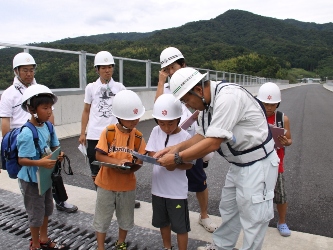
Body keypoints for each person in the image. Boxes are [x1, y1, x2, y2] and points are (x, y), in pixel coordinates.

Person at [155, 67, 280, 250]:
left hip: (257, 165)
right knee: (229, 210)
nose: (188, 106)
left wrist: (176, 158)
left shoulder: (228, 97)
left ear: (198, 90)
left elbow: (213, 142)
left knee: (254, 218)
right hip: (238, 164)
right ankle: (222, 247)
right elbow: (201, 135)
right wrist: (174, 148)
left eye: (187, 100)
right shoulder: (207, 105)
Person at [0, 52, 77, 213]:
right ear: (16, 71)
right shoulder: (9, 94)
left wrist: (50, 134)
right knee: (27, 174)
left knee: (52, 170)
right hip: (23, 140)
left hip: (42, 137)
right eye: (25, 70)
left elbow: (51, 114)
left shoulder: (40, 90)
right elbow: (5, 122)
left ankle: (60, 201)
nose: (29, 74)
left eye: (31, 70)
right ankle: (33, 207)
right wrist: (8, 147)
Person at [156, 47, 217, 233]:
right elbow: (158, 107)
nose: (170, 72)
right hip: (172, 141)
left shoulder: (195, 84)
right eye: (166, 69)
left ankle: (204, 215)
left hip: (192, 139)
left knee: (199, 180)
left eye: (173, 67)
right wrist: (161, 82)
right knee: (171, 180)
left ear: (183, 64)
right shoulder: (166, 88)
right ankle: (173, 216)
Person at [78, 51, 141, 208]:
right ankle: (103, 197)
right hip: (94, 134)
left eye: (110, 67)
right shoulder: (91, 88)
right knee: (96, 168)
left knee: (120, 165)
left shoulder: (119, 87)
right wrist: (82, 132)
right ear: (97, 69)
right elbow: (86, 110)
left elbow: (128, 105)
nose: (107, 70)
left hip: (114, 134)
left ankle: (125, 197)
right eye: (103, 67)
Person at [93, 90, 147, 250]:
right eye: (131, 119)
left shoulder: (138, 137)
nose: (135, 121)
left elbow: (140, 160)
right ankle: (100, 246)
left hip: (127, 186)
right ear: (119, 117)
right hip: (106, 185)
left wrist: (134, 166)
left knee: (125, 218)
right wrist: (117, 161)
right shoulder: (109, 132)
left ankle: (121, 242)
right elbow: (99, 155)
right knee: (102, 218)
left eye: (137, 118)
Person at [17, 84, 68, 250]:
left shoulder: (48, 126)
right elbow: (22, 160)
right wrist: (40, 162)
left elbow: (55, 146)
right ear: (32, 109)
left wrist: (58, 154)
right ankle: (35, 243)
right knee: (35, 212)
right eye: (45, 108)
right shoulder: (27, 132)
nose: (49, 111)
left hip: (44, 177)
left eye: (50, 107)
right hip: (31, 180)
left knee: (47, 208)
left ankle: (44, 238)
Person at [146, 94, 193, 250]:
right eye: (162, 123)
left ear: (179, 119)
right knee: (162, 222)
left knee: (180, 226)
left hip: (176, 192)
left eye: (170, 123)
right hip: (158, 190)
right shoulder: (155, 131)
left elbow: (190, 164)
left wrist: (175, 164)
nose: (166, 128)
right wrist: (158, 158)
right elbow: (151, 152)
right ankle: (167, 247)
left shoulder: (186, 137)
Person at [257, 82, 292, 237]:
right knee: (258, 194)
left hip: (276, 163)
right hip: (258, 163)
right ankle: (259, 221)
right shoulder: (256, 117)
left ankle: (282, 221)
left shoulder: (282, 118)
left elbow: (289, 139)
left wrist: (286, 142)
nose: (269, 108)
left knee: (280, 195)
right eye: (265, 104)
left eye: (272, 104)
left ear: (278, 103)